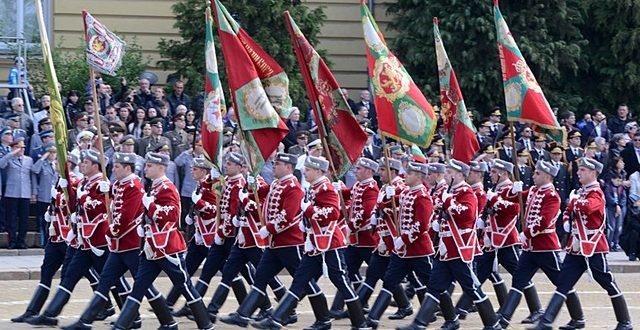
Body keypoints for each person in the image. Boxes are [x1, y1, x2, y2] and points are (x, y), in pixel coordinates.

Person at [61, 152, 177, 330]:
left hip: (129, 244)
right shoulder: (119, 185)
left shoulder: (133, 185)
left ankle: (168, 322)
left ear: (127, 168)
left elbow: (126, 217)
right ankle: (85, 321)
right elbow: (110, 208)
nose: (113, 169)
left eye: (116, 167)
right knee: (105, 282)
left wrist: (109, 232)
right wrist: (106, 191)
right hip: (118, 246)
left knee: (145, 287)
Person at [252, 155, 369, 330]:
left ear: (318, 171)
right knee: (299, 281)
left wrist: (309, 210)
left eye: (308, 170)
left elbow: (333, 214)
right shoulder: (314, 187)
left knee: (341, 280)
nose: (304, 172)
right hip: (314, 242)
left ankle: (360, 323)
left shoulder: (326, 188)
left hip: (331, 242)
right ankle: (280, 320)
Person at [109, 152, 213, 330]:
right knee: (139, 287)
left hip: (167, 247)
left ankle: (205, 325)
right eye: (147, 165)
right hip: (152, 247)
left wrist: (150, 206)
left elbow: (172, 215)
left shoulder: (167, 187)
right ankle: (122, 325)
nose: (146, 168)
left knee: (185, 286)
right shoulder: (154, 187)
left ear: (161, 168)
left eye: (150, 166)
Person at [220, 153, 321, 328]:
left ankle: (322, 317)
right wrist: (249, 188)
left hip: (290, 243)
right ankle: (243, 315)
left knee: (304, 282)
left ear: (288, 167)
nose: (273, 166)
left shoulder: (294, 187)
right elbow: (259, 196)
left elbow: (287, 216)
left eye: (278, 163)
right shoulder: (276, 183)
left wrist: (268, 229)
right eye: (273, 163)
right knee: (260, 277)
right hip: (274, 243)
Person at [532, 158, 633, 330]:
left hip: (592, 246)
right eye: (579, 170)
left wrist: (574, 201)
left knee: (607, 282)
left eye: (583, 170)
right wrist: (566, 220)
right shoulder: (581, 192)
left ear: (593, 173)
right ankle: (547, 322)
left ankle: (625, 321)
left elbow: (589, 207)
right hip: (576, 246)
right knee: (563, 282)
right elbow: (568, 211)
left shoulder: (596, 192)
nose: (578, 173)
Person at [399, 159, 500, 330]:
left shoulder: (467, 192)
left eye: (450, 172)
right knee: (434, 286)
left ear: (460, 175)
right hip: (446, 249)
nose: (447, 175)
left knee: (472, 288)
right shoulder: (450, 192)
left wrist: (448, 202)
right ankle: (420, 323)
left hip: (460, 249)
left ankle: (492, 323)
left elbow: (467, 215)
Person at [26, 150, 112, 326]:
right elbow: (73, 207)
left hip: (97, 238)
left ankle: (130, 314)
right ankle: (50, 314)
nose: (82, 165)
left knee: (113, 278)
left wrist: (84, 198)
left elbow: (102, 207)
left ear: (96, 166)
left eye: (86, 162)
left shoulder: (100, 183)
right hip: (81, 239)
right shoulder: (85, 183)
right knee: (69, 276)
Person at [496, 160, 585, 329]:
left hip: (546, 247)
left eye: (537, 173)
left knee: (561, 282)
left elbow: (544, 221)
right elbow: (510, 198)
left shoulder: (552, 196)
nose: (534, 176)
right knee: (518, 281)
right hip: (530, 248)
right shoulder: (533, 191)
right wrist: (512, 190)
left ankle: (578, 317)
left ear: (547, 176)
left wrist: (526, 233)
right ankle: (504, 320)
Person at [365, 161, 434, 329]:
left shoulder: (422, 196)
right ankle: (372, 319)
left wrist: (404, 238)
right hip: (402, 251)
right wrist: (388, 197)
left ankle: (450, 317)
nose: (405, 176)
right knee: (389, 281)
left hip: (418, 250)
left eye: (409, 174)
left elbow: (421, 225)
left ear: (418, 176)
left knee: (433, 284)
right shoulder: (407, 193)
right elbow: (391, 205)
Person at [11, 155, 79, 323]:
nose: (55, 163)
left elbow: (76, 206)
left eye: (59, 161)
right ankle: (33, 310)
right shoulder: (59, 181)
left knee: (89, 274)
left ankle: (108, 305)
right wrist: (50, 211)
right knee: (46, 273)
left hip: (69, 237)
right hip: (56, 236)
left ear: (68, 164)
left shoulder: (75, 182)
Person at [329, 157, 380, 318]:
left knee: (381, 274)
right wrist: (338, 189)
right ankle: (338, 307)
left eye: (359, 169)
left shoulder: (371, 188)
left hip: (367, 240)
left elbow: (366, 212)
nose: (356, 171)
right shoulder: (359, 185)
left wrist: (350, 227)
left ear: (369, 171)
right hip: (356, 241)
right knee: (345, 272)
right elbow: (349, 194)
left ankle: (404, 303)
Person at [0, 138, 34, 249]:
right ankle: (12, 241)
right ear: (13, 148)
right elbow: (1, 164)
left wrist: (34, 192)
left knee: (24, 219)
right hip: (12, 193)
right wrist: (12, 153)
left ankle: (21, 241)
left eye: (23, 148)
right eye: (19, 148)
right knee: (11, 219)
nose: (21, 150)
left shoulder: (28, 160)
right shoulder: (9, 159)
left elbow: (32, 176)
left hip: (25, 192)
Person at [31, 143, 58, 247]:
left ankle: (52, 241)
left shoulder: (57, 165)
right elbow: (34, 169)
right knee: (43, 221)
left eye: (54, 152)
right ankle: (44, 241)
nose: (52, 155)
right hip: (44, 196)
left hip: (55, 197)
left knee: (54, 220)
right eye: (50, 152)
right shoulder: (43, 164)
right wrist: (43, 158)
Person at [605, 172, 627, 251]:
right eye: (617, 180)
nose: (619, 183)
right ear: (612, 179)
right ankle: (609, 242)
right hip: (611, 209)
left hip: (619, 209)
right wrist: (615, 205)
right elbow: (608, 197)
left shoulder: (621, 188)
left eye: (620, 181)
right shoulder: (608, 187)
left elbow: (624, 198)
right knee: (612, 227)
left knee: (619, 227)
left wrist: (620, 206)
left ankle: (616, 243)